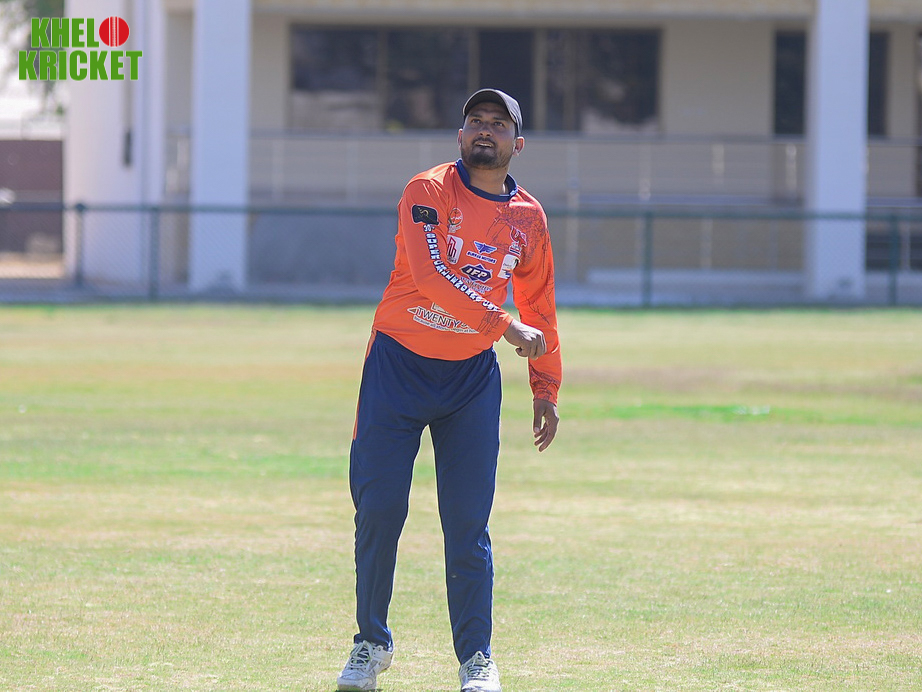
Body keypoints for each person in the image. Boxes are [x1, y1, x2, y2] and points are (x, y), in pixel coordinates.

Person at [337, 88, 562, 692]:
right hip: (397, 367)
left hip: (469, 379)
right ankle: (370, 643)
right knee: (379, 508)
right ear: (460, 136)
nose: (484, 129)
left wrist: (546, 383)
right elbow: (432, 278)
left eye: (498, 124)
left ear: (518, 143)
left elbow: (539, 303)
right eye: (475, 121)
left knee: (467, 523)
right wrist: (504, 326)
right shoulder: (428, 190)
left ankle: (476, 659)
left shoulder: (529, 218)